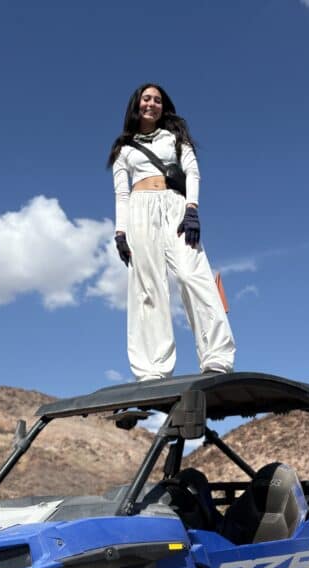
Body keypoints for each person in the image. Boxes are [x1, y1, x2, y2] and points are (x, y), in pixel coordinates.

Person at [107, 83, 236, 381]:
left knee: (193, 275)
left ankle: (217, 357)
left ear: (163, 107)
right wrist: (120, 232)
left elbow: (192, 172)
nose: (151, 104)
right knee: (148, 287)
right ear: (136, 104)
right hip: (140, 210)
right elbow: (121, 194)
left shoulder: (175, 138)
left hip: (175, 206)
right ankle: (152, 368)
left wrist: (192, 209)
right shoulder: (123, 149)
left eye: (157, 100)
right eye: (146, 98)